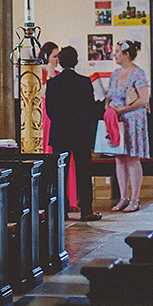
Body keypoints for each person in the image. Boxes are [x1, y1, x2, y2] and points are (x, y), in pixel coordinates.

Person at [45, 46, 102, 221]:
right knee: (84, 172)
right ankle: (86, 210)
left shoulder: (53, 83)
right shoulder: (84, 82)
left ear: (59, 62)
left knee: (59, 172)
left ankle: (62, 210)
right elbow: (91, 109)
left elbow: (49, 110)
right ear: (76, 62)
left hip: (60, 132)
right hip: (81, 132)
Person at [105, 39, 149, 213]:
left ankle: (135, 198)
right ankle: (123, 197)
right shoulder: (115, 74)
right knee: (119, 158)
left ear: (126, 54)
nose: (114, 54)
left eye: (117, 52)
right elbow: (109, 95)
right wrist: (108, 109)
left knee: (132, 157)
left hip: (133, 118)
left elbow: (144, 99)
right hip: (117, 120)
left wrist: (122, 109)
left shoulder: (138, 73)